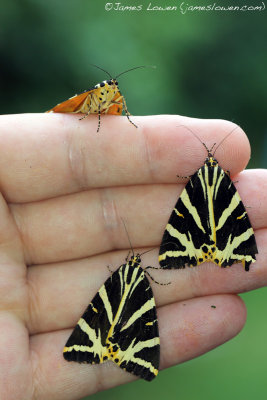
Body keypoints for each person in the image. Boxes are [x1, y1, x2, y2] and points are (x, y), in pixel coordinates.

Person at [0, 113, 265, 399]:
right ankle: (130, 350)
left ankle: (94, 344)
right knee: (140, 304)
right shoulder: (223, 183)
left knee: (112, 303)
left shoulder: (196, 180)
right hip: (205, 222)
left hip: (152, 257)